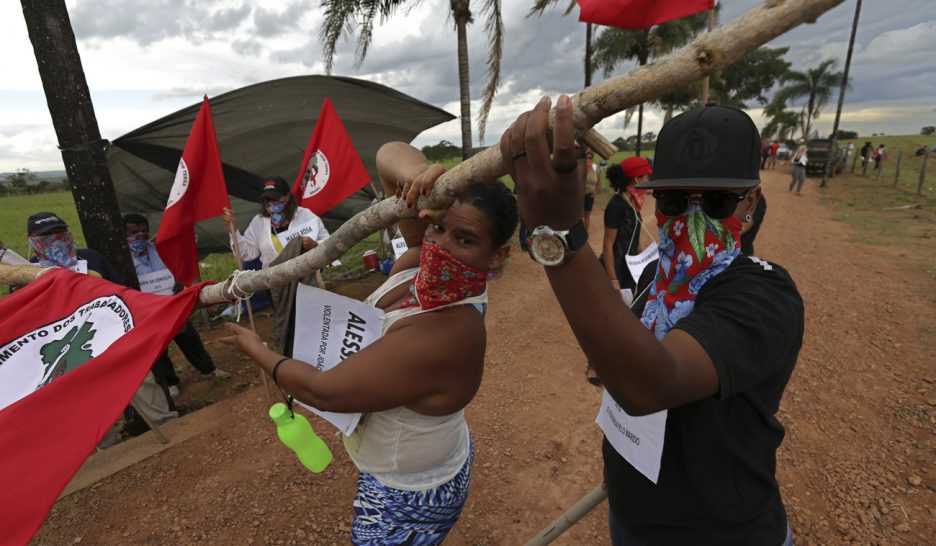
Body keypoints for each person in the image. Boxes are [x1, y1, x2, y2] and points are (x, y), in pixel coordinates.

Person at [501, 97, 803, 545]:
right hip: (633, 516)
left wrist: (560, 235)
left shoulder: (765, 296)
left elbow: (650, 385)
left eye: (717, 201)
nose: (691, 218)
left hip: (718, 533)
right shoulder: (655, 280)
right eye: (674, 199)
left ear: (751, 202)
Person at [224, 141, 517, 545]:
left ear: (497, 256)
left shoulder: (447, 333)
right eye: (438, 226)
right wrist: (421, 178)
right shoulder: (418, 262)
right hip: (410, 462)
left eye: (465, 239)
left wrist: (259, 352)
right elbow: (388, 155)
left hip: (409, 494)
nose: (441, 245)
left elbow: (323, 392)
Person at [25, 212, 178, 439]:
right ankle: (105, 444)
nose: (55, 239)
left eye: (59, 231)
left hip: (108, 330)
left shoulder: (90, 258)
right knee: (85, 396)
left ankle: (167, 425)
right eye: (46, 235)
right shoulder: (25, 272)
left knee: (139, 379)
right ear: (32, 239)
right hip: (65, 344)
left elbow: (120, 290)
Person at [123, 214, 229, 397]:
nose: (139, 236)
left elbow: (176, 268)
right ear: (123, 234)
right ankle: (171, 382)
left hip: (172, 303)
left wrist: (179, 282)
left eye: (143, 232)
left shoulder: (158, 250)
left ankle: (209, 369)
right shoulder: (123, 260)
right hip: (147, 310)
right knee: (159, 349)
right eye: (133, 232)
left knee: (189, 338)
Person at [223, 176, 330, 269]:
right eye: (267, 199)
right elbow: (246, 253)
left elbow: (328, 243)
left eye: (275, 198)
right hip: (273, 280)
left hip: (304, 276)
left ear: (287, 196)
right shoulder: (258, 222)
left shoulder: (306, 216)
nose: (270, 203)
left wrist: (315, 245)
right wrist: (233, 230)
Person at [601, 157, 651, 293]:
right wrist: (613, 279)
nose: (648, 181)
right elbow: (607, 245)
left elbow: (634, 240)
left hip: (631, 268)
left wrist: (644, 264)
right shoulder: (616, 206)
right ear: (637, 179)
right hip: (617, 269)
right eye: (647, 177)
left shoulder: (632, 203)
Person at [583, 149, 600, 232]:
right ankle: (578, 233)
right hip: (580, 195)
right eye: (586, 158)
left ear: (592, 158)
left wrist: (596, 192)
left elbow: (599, 182)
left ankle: (585, 233)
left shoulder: (596, 168)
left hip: (590, 195)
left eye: (590, 158)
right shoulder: (580, 167)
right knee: (578, 216)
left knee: (587, 215)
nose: (588, 159)